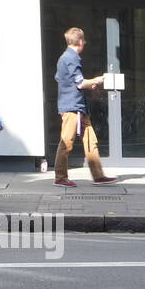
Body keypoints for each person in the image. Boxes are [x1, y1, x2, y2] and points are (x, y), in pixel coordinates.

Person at [52, 27, 115, 187]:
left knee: (90, 140)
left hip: (77, 106)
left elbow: (66, 81)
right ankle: (60, 177)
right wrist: (97, 80)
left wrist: (88, 84)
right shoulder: (71, 58)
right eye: (84, 42)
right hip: (72, 107)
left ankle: (98, 176)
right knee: (66, 142)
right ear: (80, 42)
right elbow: (80, 83)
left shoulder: (64, 58)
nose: (84, 44)